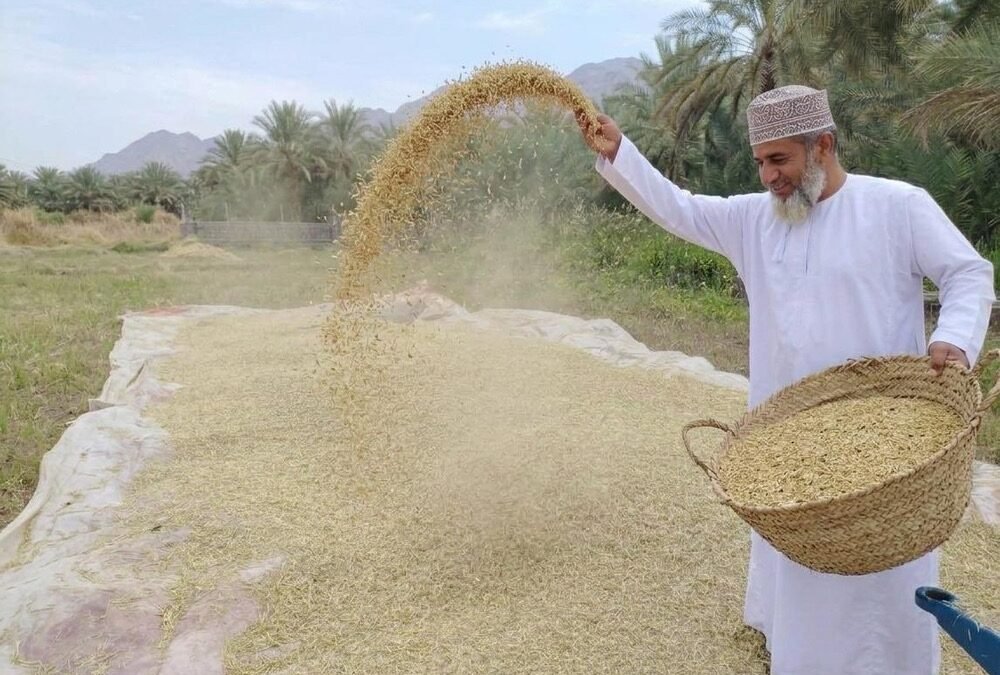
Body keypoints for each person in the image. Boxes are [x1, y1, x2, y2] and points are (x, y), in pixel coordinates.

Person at [577, 85, 996, 674]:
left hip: (886, 453)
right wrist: (620, 152)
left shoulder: (898, 206)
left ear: (822, 146)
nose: (768, 176)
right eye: (760, 162)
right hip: (789, 456)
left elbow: (968, 273)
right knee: (804, 586)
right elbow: (680, 208)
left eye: (780, 160)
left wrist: (953, 337)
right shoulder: (755, 220)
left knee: (884, 584)